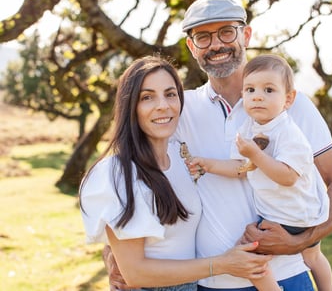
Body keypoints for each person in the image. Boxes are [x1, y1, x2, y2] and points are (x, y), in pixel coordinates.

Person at [105, 0, 332, 291]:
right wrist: (114, 251)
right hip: (209, 283)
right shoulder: (178, 108)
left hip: (286, 277)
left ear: (246, 35)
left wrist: (299, 241)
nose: (216, 45)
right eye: (203, 37)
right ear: (191, 46)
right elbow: (137, 177)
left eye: (226, 31)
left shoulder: (292, 105)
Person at [79, 55, 276, 291]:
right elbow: (135, 273)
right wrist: (223, 264)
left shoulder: (181, 158)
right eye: (147, 97)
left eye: (170, 94)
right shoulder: (118, 173)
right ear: (131, 106)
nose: (163, 105)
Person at [187, 54, 332, 291]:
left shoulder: (288, 133)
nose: (257, 96)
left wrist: (255, 154)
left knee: (248, 254)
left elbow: (287, 176)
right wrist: (208, 164)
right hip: (300, 213)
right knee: (313, 257)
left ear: (288, 99)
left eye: (268, 90)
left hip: (290, 217)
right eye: (250, 89)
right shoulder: (251, 126)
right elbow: (242, 169)